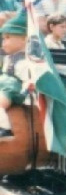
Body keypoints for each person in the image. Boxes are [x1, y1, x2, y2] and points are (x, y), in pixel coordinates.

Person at [0, 10, 30, 140]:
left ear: (24, 39)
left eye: (8, 38)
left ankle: (4, 128)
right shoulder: (8, 58)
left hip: (13, 90)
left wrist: (26, 92)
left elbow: (28, 80)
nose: (3, 43)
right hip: (4, 86)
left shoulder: (23, 62)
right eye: (3, 39)